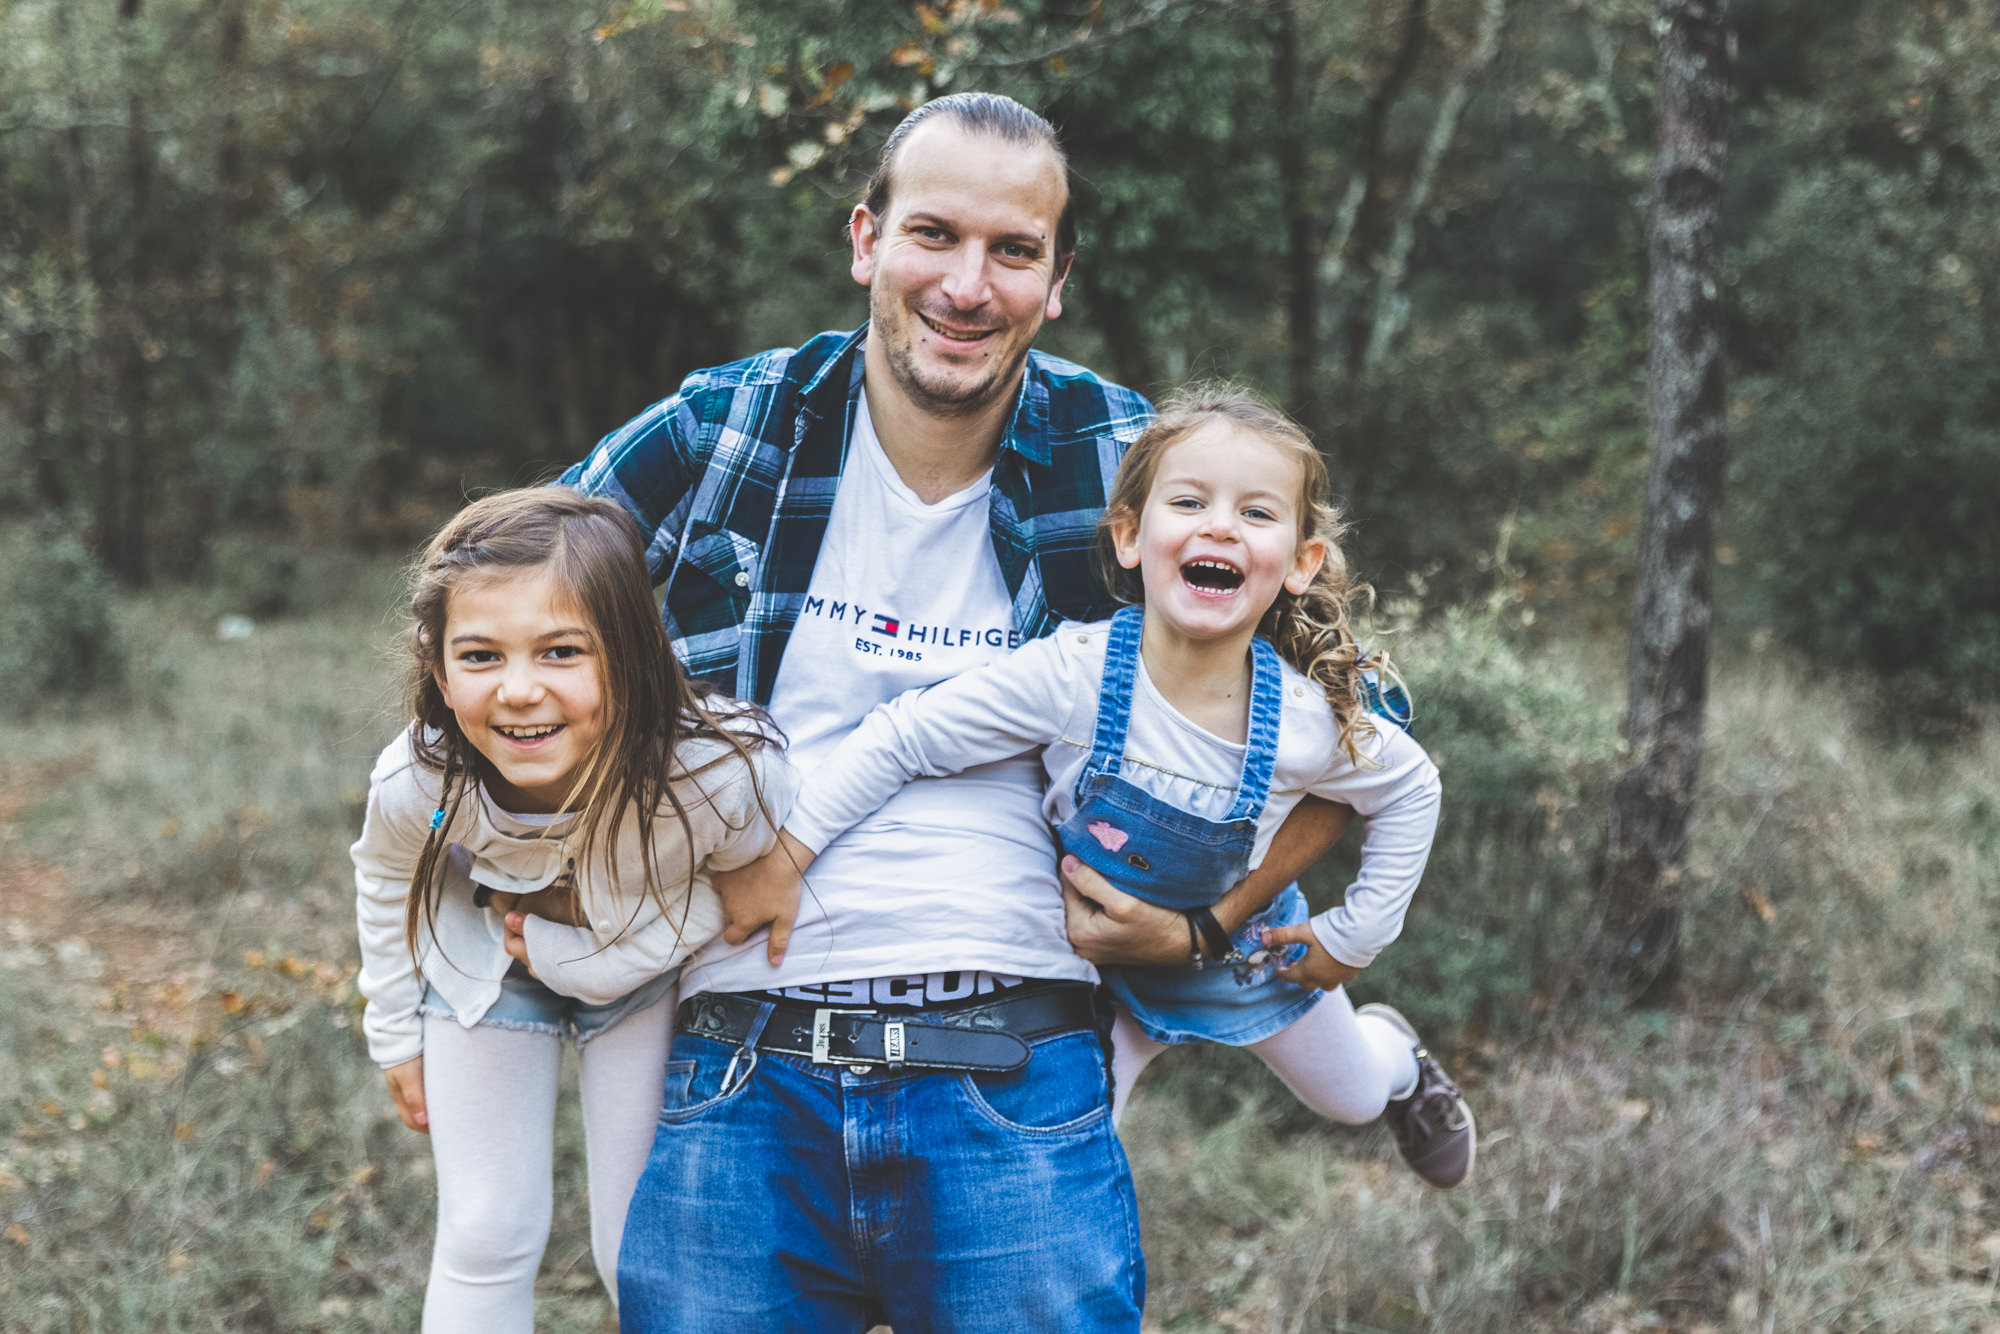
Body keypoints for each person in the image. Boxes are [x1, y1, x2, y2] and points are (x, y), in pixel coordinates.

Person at [563, 91, 1347, 1332]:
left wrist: (1201, 929)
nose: (966, 285)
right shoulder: (731, 426)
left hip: (1010, 1063)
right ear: (866, 239)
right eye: (933, 236)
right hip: (736, 1064)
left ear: (1056, 279)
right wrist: (516, 844)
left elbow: (1363, 716)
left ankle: (1374, 1074)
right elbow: (500, 597)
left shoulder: (1123, 455)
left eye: (1012, 251)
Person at [734, 386, 1475, 1188]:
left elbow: (1410, 791)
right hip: (1092, 966)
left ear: (1300, 564)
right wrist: (787, 853)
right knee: (1067, 1158)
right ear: (1130, 535)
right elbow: (904, 735)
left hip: (1249, 955)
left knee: (1354, 1097)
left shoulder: (1302, 718)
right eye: (1189, 501)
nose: (1220, 525)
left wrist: (1351, 936)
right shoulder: (1071, 676)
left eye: (1257, 514)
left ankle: (1399, 1059)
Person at [350, 489, 794, 1333]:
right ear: (439, 670)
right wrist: (395, 1031)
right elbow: (381, 878)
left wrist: (612, 947)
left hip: (647, 973)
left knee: (638, 1243)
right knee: (486, 1232)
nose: (520, 691)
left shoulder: (717, 773)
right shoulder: (422, 778)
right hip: (483, 966)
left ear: (630, 656)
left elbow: (746, 900)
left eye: (561, 651)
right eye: (480, 657)